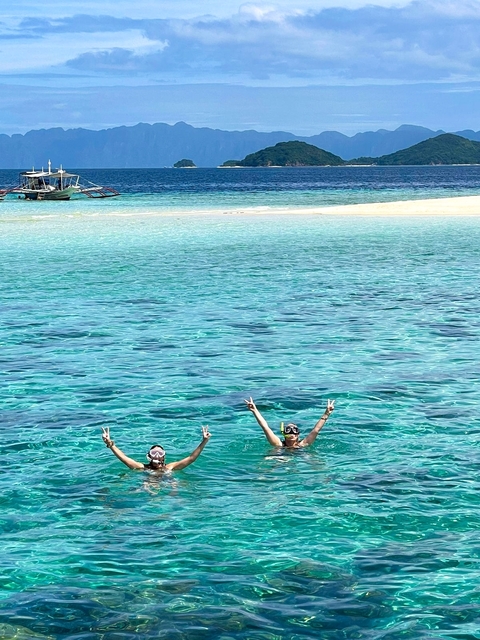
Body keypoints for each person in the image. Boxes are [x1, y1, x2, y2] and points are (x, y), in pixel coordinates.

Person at [101, 425, 211, 471]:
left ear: (164, 456)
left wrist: (204, 441)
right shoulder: (143, 468)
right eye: (154, 453)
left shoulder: (170, 468)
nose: (157, 456)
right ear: (149, 456)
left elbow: (191, 458)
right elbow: (124, 458)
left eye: (160, 453)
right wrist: (111, 444)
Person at [244, 397, 335, 449]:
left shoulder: (303, 444)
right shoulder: (278, 444)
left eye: (294, 430)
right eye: (288, 430)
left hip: (301, 458)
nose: (291, 432)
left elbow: (316, 430)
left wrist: (327, 413)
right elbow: (265, 427)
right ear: (284, 433)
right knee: (269, 459)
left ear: (298, 434)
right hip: (280, 458)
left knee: (311, 459)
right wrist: (254, 410)